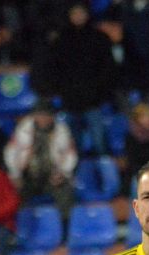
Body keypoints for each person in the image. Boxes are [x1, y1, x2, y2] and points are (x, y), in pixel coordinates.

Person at [48, 2, 117, 155]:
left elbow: (108, 68)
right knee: (73, 146)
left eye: (81, 13)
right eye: (75, 13)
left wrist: (99, 91)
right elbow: (55, 68)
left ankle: (105, 175)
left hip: (94, 100)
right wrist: (62, 90)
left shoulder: (99, 38)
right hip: (70, 100)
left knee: (100, 144)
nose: (78, 17)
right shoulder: (62, 40)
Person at [3, 99, 78, 219]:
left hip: (52, 176)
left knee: (66, 191)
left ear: (52, 116)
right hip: (28, 176)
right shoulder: (23, 129)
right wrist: (15, 174)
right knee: (12, 191)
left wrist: (63, 173)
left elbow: (71, 155)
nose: (43, 118)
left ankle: (64, 228)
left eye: (46, 115)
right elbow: (10, 152)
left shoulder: (62, 130)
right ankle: (17, 227)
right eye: (40, 115)